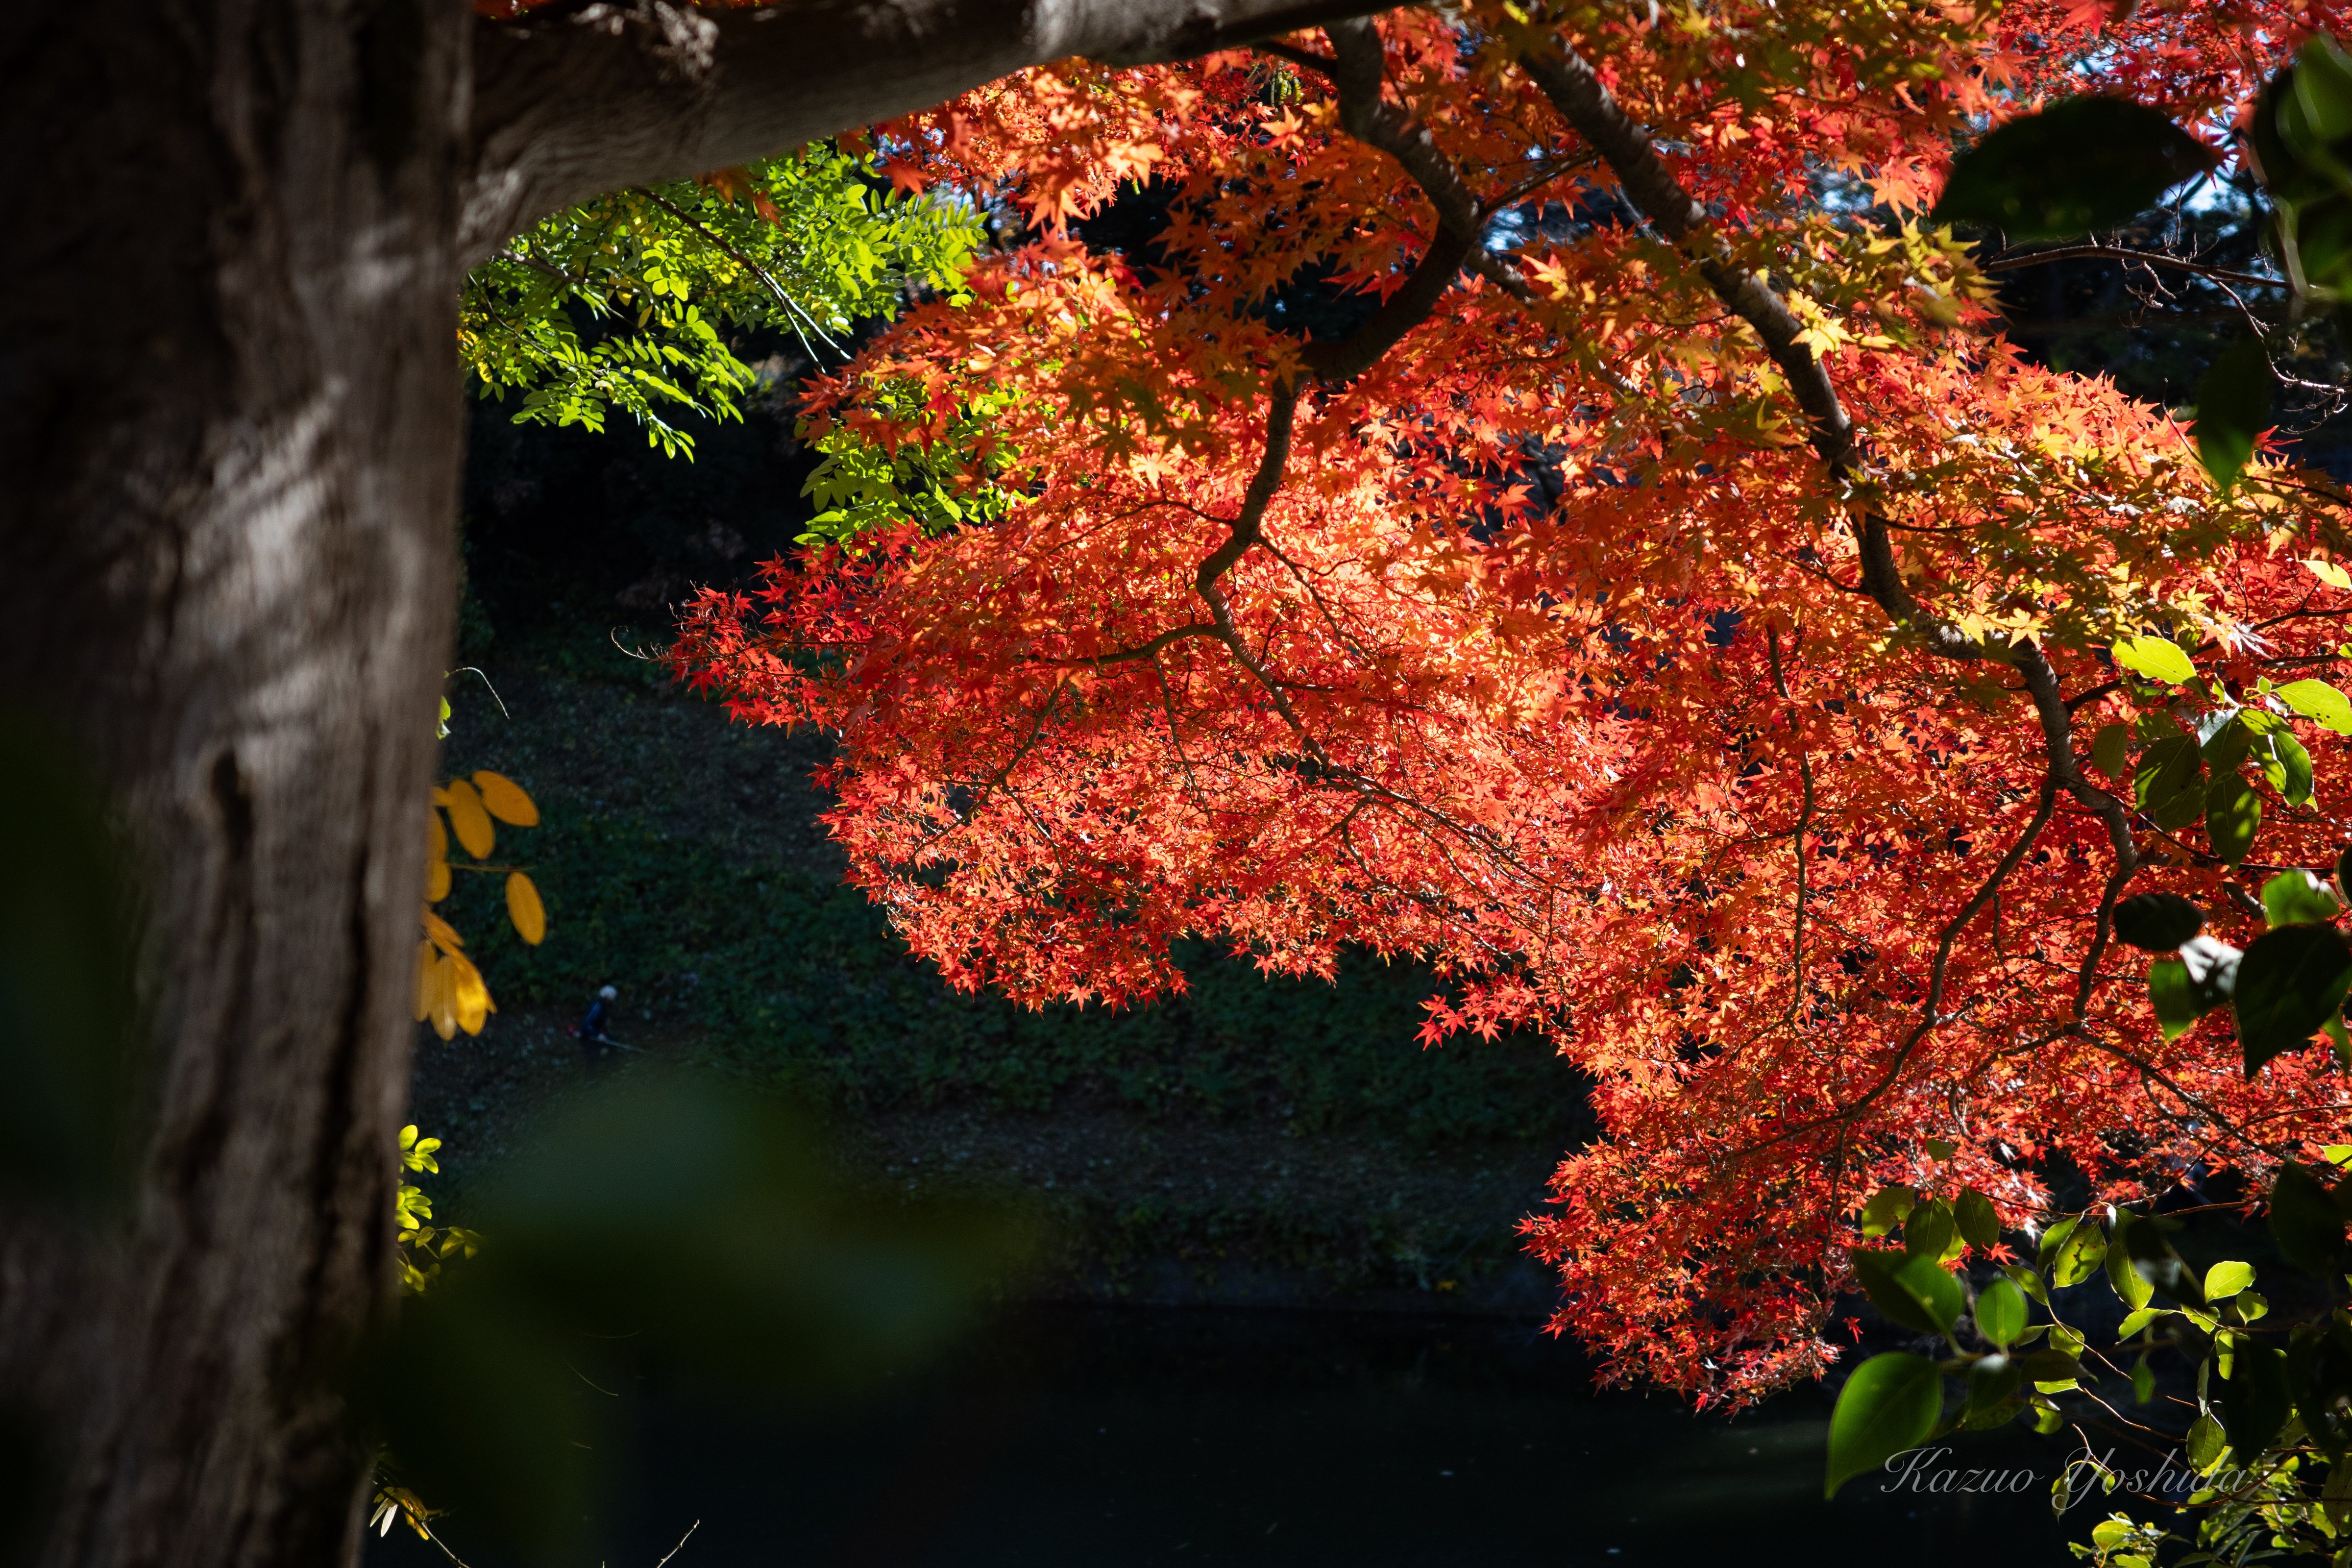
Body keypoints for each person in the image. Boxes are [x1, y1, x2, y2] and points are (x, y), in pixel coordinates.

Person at [574, 984, 617, 1067]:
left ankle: (609, 1066)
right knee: (593, 1057)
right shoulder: (597, 1006)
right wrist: (598, 1035)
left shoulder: (602, 1006)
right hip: (588, 1036)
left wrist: (605, 1024)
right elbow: (587, 1024)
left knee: (613, 1042)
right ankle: (590, 1079)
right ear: (607, 998)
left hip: (595, 1034)